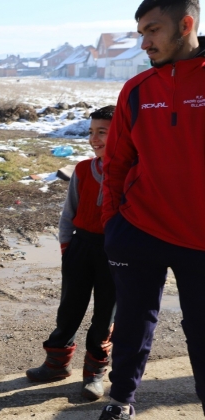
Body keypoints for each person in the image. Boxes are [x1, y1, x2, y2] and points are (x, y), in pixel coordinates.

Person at [99, 1, 205, 418]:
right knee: (131, 325)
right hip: (139, 230)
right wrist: (112, 224)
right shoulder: (137, 89)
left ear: (186, 24)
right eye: (141, 32)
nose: (145, 42)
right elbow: (117, 163)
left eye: (153, 30)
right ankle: (121, 399)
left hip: (201, 239)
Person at [25, 106, 117, 401]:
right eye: (91, 132)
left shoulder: (132, 172)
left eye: (102, 132)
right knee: (70, 309)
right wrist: (67, 247)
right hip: (81, 247)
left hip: (115, 253)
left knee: (105, 315)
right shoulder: (81, 169)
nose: (94, 138)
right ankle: (56, 364)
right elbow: (69, 213)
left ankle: (94, 373)